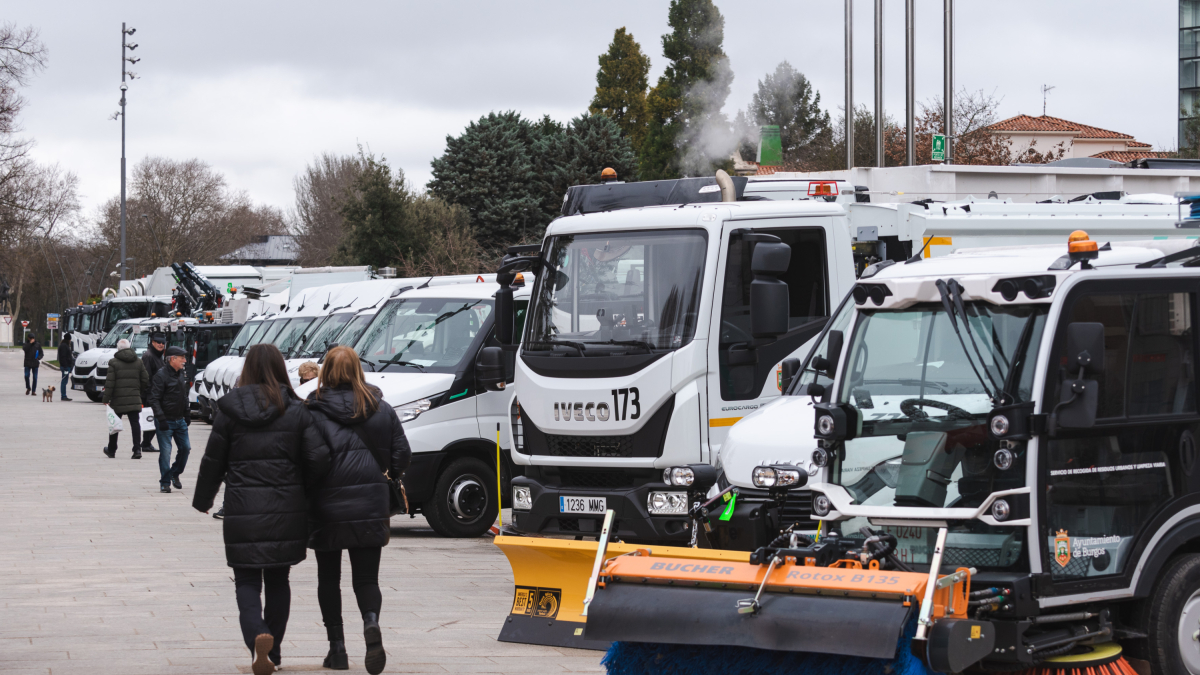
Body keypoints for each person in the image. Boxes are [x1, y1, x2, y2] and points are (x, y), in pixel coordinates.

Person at [193, 344, 329, 675]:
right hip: (286, 510)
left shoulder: (229, 412)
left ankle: (257, 635)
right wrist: (306, 492)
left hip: (242, 509)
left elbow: (213, 461)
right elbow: (319, 458)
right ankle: (275, 652)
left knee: (246, 582)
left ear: (247, 369)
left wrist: (203, 499)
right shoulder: (297, 411)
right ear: (282, 369)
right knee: (279, 580)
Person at [305, 346, 410, 675]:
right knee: (366, 578)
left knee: (328, 578)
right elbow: (402, 454)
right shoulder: (382, 408)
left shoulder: (312, 409)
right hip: (370, 501)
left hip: (326, 504)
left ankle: (337, 650)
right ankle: (370, 621)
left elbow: (305, 457)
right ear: (358, 370)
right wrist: (387, 475)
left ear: (326, 372)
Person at [149, 346, 191, 493]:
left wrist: (187, 413)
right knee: (166, 451)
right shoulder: (161, 376)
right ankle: (165, 482)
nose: (185, 361)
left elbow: (183, 395)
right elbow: (154, 399)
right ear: (172, 359)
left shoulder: (180, 373)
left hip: (180, 420)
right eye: (182, 358)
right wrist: (161, 418)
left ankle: (175, 472)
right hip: (165, 420)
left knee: (185, 448)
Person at [102, 338, 149, 459]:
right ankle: (137, 449)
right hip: (134, 398)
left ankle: (112, 449)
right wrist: (138, 391)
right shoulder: (138, 361)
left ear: (118, 349)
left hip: (118, 399)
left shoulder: (113, 362)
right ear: (129, 347)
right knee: (135, 424)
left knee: (115, 424)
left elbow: (110, 382)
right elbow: (145, 379)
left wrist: (106, 398)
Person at [140, 334, 167, 452]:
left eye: (162, 342)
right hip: (151, 394)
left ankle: (146, 443)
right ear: (152, 342)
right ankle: (145, 443)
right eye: (158, 342)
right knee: (152, 419)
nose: (161, 344)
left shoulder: (158, 356)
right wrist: (149, 394)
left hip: (157, 393)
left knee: (154, 419)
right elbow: (146, 377)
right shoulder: (149, 356)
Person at [57, 333, 73, 401]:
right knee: (64, 381)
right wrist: (66, 366)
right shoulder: (64, 346)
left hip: (65, 366)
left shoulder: (64, 345)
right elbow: (63, 357)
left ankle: (64, 395)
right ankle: (63, 396)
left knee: (65, 381)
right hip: (65, 366)